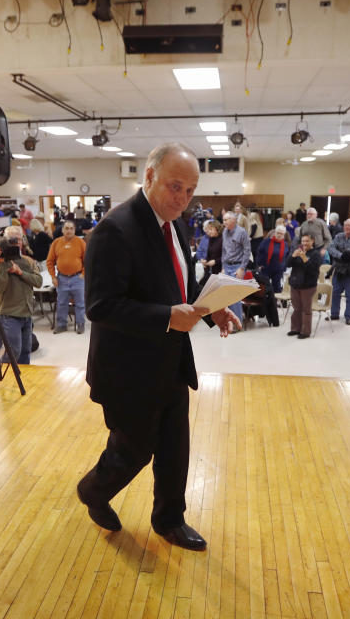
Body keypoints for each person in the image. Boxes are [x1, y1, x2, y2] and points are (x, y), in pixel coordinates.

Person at [77, 142, 239, 552]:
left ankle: (169, 520)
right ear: (148, 176)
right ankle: (93, 491)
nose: (183, 199)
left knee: (174, 450)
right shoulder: (114, 230)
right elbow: (100, 305)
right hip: (129, 372)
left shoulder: (175, 223)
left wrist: (210, 310)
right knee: (131, 454)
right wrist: (167, 316)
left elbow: (179, 286)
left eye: (190, 190)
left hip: (171, 362)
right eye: (175, 187)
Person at [0, 236, 42, 364]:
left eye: (18, 241)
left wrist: (20, 272)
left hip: (26, 312)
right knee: (13, 351)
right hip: (9, 313)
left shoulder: (27, 261)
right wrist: (3, 266)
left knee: (26, 351)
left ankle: (23, 379)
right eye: (12, 244)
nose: (17, 245)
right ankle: (7, 378)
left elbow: (38, 281)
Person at [47, 219, 87, 334]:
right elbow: (50, 261)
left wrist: (83, 274)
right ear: (62, 230)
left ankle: (80, 324)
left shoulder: (81, 242)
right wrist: (53, 277)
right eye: (66, 228)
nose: (69, 230)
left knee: (79, 303)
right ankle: (61, 325)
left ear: (74, 230)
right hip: (61, 278)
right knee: (61, 303)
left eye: (71, 228)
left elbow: (87, 260)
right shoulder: (56, 243)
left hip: (77, 278)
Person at [286, 233, 322, 339]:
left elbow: (312, 270)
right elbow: (287, 264)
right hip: (295, 284)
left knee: (306, 309)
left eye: (307, 241)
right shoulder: (297, 251)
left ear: (312, 242)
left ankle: (305, 331)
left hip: (308, 286)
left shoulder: (315, 254)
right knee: (296, 308)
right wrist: (293, 256)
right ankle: (295, 329)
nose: (304, 243)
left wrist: (303, 257)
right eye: (303, 241)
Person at [327, 218, 350, 324]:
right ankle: (334, 314)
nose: (347, 227)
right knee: (335, 292)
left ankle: (348, 316)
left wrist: (344, 253)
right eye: (345, 225)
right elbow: (331, 248)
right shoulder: (338, 236)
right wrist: (342, 255)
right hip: (339, 268)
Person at [220, 211, 251, 323]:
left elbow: (247, 251)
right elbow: (223, 250)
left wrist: (242, 268)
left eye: (226, 220)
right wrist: (223, 267)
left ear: (233, 220)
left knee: (234, 296)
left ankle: (238, 323)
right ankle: (230, 320)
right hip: (227, 266)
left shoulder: (241, 232)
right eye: (223, 220)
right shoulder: (224, 232)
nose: (224, 222)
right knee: (227, 296)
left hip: (237, 266)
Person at [255, 226, 288, 293]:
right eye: (278, 233)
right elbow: (259, 252)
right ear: (275, 233)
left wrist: (284, 267)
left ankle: (275, 302)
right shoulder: (266, 241)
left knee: (276, 287)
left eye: (281, 233)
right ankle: (264, 302)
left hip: (278, 269)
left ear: (283, 235)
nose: (279, 235)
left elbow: (286, 256)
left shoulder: (285, 244)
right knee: (263, 287)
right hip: (266, 268)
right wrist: (259, 264)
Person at [197, 220, 223, 287]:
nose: (208, 231)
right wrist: (204, 261)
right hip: (211, 269)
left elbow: (227, 256)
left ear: (217, 229)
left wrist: (215, 261)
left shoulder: (223, 239)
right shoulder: (212, 238)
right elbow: (209, 254)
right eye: (208, 229)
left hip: (220, 269)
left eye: (211, 229)